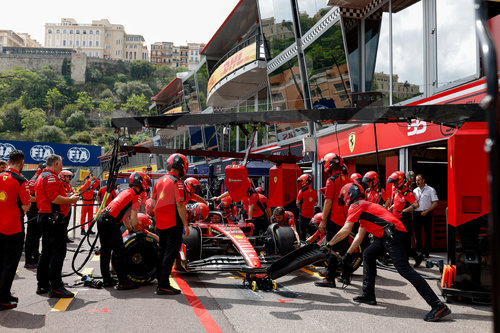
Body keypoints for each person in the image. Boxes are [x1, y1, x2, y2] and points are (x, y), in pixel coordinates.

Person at [326, 182, 451, 322]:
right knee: (368, 254)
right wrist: (348, 255)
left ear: (348, 196)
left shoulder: (357, 205)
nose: (344, 202)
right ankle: (368, 295)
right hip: (390, 234)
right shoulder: (364, 209)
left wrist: (329, 244)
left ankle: (437, 305)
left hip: (392, 234)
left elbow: (345, 230)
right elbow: (359, 236)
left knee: (404, 270)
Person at [35, 154, 79, 298]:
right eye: (61, 164)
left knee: (47, 251)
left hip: (46, 217)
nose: (61, 167)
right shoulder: (52, 177)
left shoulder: (42, 176)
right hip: (52, 218)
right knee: (58, 252)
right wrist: (70, 199)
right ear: (56, 164)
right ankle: (56, 286)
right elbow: (54, 198)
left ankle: (43, 284)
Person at [96, 171, 147, 289]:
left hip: (103, 219)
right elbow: (134, 217)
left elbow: (124, 217)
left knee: (106, 252)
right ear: (142, 182)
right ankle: (123, 282)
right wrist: (137, 231)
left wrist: (130, 229)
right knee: (120, 252)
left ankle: (107, 280)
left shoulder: (126, 192)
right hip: (110, 222)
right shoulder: (136, 195)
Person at [150, 153, 190, 295]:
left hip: (160, 223)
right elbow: (180, 204)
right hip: (173, 223)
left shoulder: (159, 181)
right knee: (170, 253)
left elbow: (152, 203)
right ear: (181, 166)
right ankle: (164, 285)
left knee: (161, 252)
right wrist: (185, 225)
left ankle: (160, 281)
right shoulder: (176, 182)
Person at [315, 153, 352, 288]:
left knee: (331, 248)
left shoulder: (331, 180)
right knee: (345, 249)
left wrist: (323, 220)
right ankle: (346, 277)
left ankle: (330, 279)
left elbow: (328, 202)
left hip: (334, 220)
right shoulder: (348, 180)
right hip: (346, 221)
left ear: (330, 164)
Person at [0, 150, 30, 310]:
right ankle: (3, 298)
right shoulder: (20, 180)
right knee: (10, 264)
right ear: (22, 162)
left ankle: (4, 293)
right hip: (13, 228)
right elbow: (26, 205)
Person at [387, 171, 424, 267]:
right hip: (395, 219)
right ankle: (403, 260)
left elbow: (416, 204)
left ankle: (417, 257)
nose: (394, 184)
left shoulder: (408, 192)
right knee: (397, 241)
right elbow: (396, 203)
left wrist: (405, 210)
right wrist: (389, 209)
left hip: (404, 220)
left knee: (405, 243)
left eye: (395, 182)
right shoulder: (396, 191)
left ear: (399, 181)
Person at [24, 162, 45, 269]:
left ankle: (35, 256)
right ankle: (29, 260)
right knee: (31, 237)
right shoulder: (34, 180)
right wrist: (44, 199)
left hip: (39, 212)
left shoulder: (41, 178)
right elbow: (29, 198)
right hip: (33, 213)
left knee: (36, 237)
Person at [413, 174, 439, 258]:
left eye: (418, 180)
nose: (417, 182)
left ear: (423, 180)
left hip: (427, 213)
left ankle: (427, 253)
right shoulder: (414, 191)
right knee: (417, 234)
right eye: (416, 180)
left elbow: (435, 203)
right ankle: (419, 253)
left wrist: (427, 211)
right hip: (417, 214)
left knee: (428, 234)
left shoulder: (431, 190)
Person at [296, 174, 318, 241]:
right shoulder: (314, 191)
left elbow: (297, 202)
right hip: (311, 214)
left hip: (303, 214)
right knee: (312, 230)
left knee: (302, 231)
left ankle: (303, 243)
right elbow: (316, 203)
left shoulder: (302, 191)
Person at [59, 170, 75, 243]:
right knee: (62, 223)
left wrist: (73, 194)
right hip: (63, 206)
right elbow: (63, 194)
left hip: (68, 205)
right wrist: (69, 195)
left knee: (67, 222)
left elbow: (72, 192)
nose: (69, 178)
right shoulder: (60, 184)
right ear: (63, 177)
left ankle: (65, 237)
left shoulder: (69, 184)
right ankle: (62, 238)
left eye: (69, 176)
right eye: (67, 176)